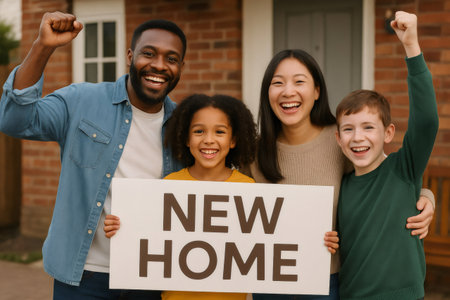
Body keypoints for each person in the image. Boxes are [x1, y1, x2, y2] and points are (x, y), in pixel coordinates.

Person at [0, 11, 186, 299]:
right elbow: (15, 120)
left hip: (148, 276)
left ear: (181, 67)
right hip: (83, 276)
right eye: (148, 53)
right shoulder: (82, 101)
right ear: (129, 56)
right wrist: (43, 46)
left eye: (171, 59)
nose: (159, 65)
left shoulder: (185, 127)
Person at [250, 39, 435, 300]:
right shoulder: (252, 153)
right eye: (277, 83)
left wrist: (424, 196)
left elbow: (382, 174)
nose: (288, 91)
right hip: (269, 284)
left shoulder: (340, 143)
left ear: (317, 90)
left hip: (326, 284)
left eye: (299, 81)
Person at [105, 93, 261, 299]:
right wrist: (122, 229)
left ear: (233, 140)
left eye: (220, 132)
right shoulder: (169, 185)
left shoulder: (249, 188)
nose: (208, 140)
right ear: (187, 139)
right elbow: (149, 237)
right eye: (199, 131)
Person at [335, 11, 438, 300]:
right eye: (348, 129)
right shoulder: (340, 186)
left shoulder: (403, 169)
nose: (358, 137)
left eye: (369, 127)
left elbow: (428, 120)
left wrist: (411, 47)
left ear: (388, 133)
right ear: (338, 138)